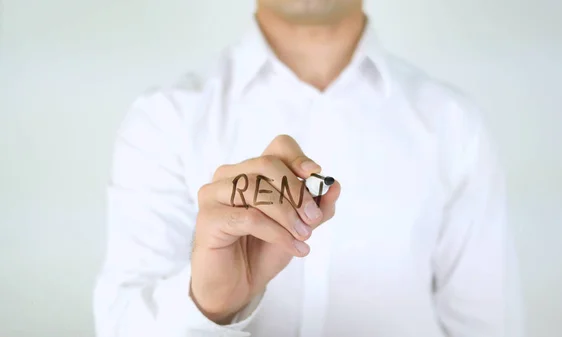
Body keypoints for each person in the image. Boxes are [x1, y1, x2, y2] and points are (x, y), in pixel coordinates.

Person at [93, 0, 523, 336]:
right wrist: (208, 304)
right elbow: (120, 326)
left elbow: (487, 327)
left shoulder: (455, 125)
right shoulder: (162, 120)